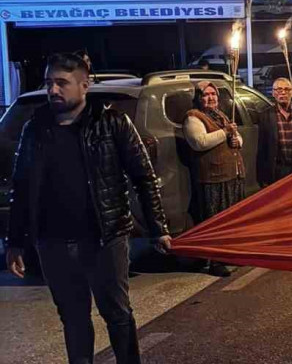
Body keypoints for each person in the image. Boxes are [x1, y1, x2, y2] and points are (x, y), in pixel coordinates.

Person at [5, 53, 170, 364]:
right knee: (73, 318)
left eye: (61, 83)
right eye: (49, 82)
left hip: (104, 238)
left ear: (84, 85)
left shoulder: (113, 123)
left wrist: (158, 229)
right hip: (52, 243)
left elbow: (144, 178)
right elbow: (22, 187)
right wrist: (14, 242)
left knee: (117, 315)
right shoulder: (35, 129)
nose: (53, 90)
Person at [183, 81, 245, 277]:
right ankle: (215, 261)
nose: (211, 98)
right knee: (216, 221)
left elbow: (236, 135)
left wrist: (237, 140)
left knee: (229, 219)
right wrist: (225, 133)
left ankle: (229, 255)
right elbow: (199, 142)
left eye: (213, 94)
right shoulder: (193, 118)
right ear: (199, 98)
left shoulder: (221, 114)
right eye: (206, 95)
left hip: (230, 175)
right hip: (213, 178)